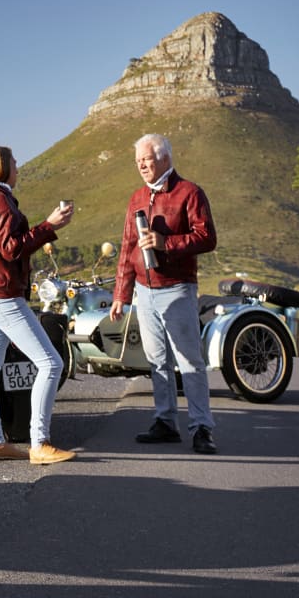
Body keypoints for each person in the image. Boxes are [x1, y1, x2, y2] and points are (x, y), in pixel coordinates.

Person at [110, 133, 219, 454]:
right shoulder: (136, 198)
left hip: (178, 289)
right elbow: (128, 247)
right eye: (138, 162)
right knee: (157, 361)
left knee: (189, 362)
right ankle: (166, 421)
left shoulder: (190, 193)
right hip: (144, 292)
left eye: (147, 159)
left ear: (165, 159)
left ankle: (202, 427)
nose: (142, 165)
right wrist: (121, 294)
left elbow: (207, 237)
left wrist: (165, 244)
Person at [0, 145, 76, 464]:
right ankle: (39, 443)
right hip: (3, 295)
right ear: (1, 167)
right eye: (14, 161)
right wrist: (49, 225)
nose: (19, 165)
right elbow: (13, 249)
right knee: (51, 363)